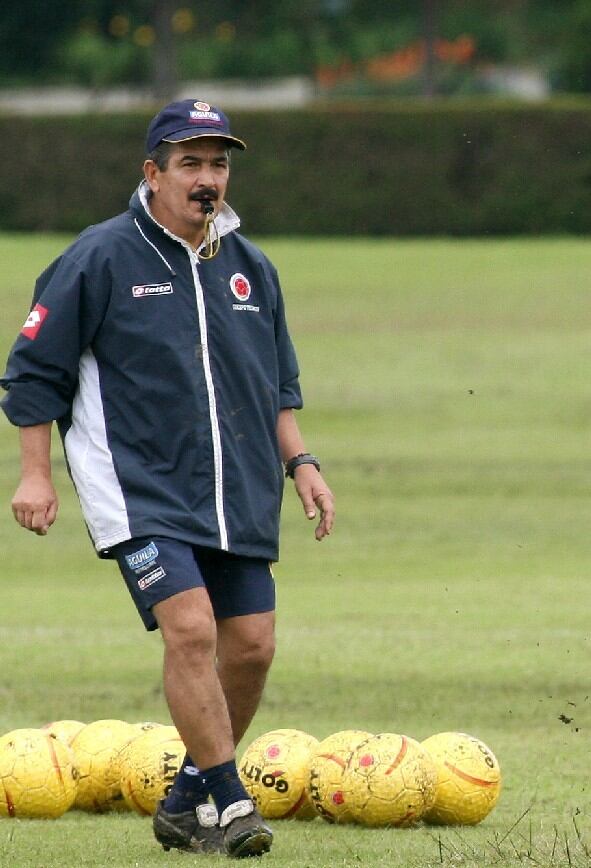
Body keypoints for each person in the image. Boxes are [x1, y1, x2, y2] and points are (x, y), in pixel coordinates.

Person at [1, 99, 335, 857]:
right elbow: (33, 373)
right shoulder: (100, 256)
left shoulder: (252, 269)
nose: (207, 178)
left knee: (250, 646)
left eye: (218, 163)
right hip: (140, 487)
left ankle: (186, 799)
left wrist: (303, 463)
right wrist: (34, 477)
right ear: (152, 173)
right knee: (189, 631)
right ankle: (231, 802)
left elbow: (279, 384)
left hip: (240, 490)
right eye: (190, 163)